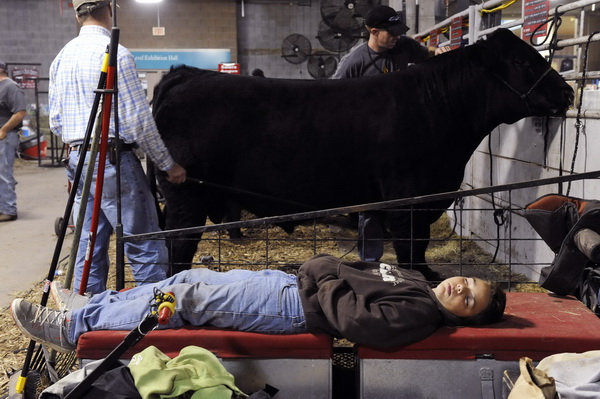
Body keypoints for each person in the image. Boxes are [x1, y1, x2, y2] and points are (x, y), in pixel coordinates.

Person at [10, 253, 506, 353]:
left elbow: (356, 321)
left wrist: (322, 272)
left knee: (183, 297)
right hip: (286, 283)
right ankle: (95, 305)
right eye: (466, 282)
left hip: (292, 308)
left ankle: (73, 325)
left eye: (468, 301)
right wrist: (326, 269)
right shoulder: (420, 282)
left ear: (468, 318)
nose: (459, 289)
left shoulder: (419, 314)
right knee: (184, 276)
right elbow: (352, 267)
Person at [49, 0, 187, 293]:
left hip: (78, 159)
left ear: (77, 15)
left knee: (88, 246)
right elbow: (139, 122)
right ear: (109, 10)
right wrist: (168, 165)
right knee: (145, 244)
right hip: (112, 161)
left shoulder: (61, 58)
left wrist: (78, 158)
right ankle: (151, 320)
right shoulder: (116, 55)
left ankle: (87, 316)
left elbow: (56, 122)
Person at [331, 5, 451, 265]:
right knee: (371, 204)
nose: (397, 36)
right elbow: (332, 98)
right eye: (391, 32)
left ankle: (411, 262)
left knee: (409, 201)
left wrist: (439, 53)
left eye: (399, 31)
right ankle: (370, 264)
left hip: (404, 141)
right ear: (374, 32)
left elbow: (426, 53)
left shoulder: (405, 46)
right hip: (370, 145)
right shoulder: (355, 62)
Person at [0, 60, 26, 222]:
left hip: (5, 137)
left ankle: (9, 209)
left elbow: (20, 112)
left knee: (3, 173)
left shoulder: (10, 87)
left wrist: (3, 130)